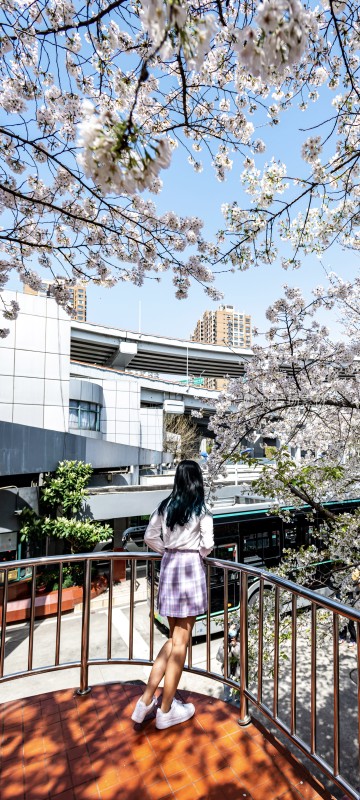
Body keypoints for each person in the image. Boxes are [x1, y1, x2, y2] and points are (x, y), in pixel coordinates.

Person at [131, 459, 214, 730]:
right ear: (197, 480)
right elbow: (209, 544)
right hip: (189, 569)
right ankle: (165, 709)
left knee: (173, 639)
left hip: (169, 568)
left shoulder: (165, 507)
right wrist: (195, 554)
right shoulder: (201, 509)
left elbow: (148, 536)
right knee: (181, 643)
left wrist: (166, 550)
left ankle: (145, 701)